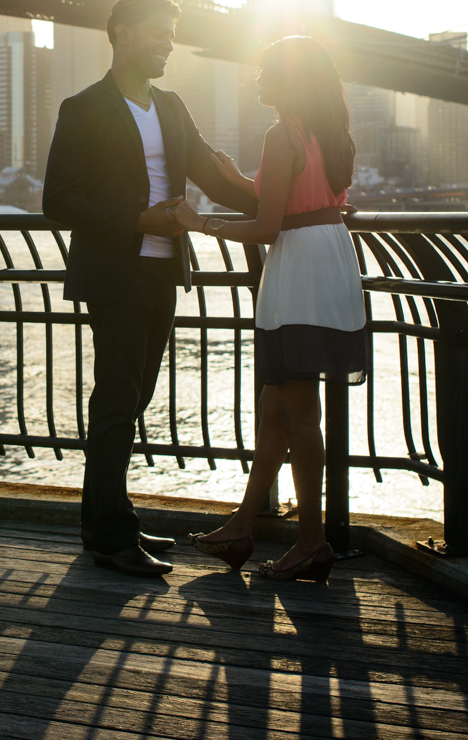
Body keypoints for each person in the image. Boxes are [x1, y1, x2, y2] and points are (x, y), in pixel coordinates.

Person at [42, 0, 259, 578]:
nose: (168, 43)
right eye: (158, 33)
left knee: (131, 399)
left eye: (172, 34)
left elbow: (215, 179)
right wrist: (139, 221)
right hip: (117, 270)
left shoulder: (171, 105)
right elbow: (57, 200)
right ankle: (112, 536)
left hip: (166, 269)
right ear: (121, 34)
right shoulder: (83, 107)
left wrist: (299, 197)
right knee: (117, 399)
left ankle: (106, 524)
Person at [172, 35, 367, 582]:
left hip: (298, 271)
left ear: (290, 79)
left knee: (300, 413)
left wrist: (198, 222)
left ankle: (311, 542)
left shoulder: (281, 134)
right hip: (330, 261)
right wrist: (236, 181)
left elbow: (267, 226)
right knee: (275, 408)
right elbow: (290, 201)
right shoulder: (329, 134)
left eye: (265, 71)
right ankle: (242, 527)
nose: (257, 78)